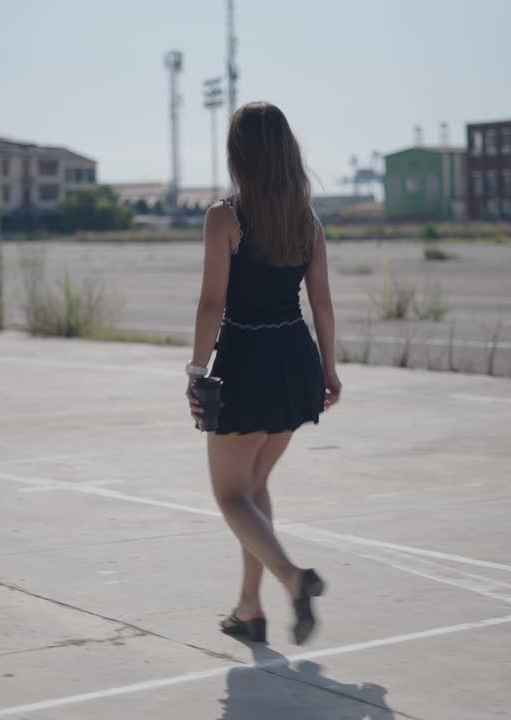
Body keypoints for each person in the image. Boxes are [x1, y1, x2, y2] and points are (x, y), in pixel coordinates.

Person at [185, 102, 341, 645]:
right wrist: (329, 370)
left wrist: (196, 370)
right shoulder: (307, 220)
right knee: (253, 488)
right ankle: (249, 609)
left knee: (231, 496)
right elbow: (322, 304)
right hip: (295, 363)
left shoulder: (225, 217)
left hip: (246, 364)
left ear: (239, 154)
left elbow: (212, 303)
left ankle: (294, 579)